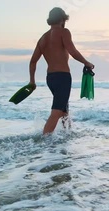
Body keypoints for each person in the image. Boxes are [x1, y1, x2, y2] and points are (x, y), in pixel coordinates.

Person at [28, 7, 95, 135]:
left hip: (51, 78)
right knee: (57, 111)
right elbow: (72, 51)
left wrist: (32, 81)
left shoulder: (43, 38)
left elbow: (32, 62)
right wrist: (86, 62)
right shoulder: (64, 32)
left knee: (64, 110)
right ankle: (44, 141)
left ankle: (66, 135)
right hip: (62, 77)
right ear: (62, 19)